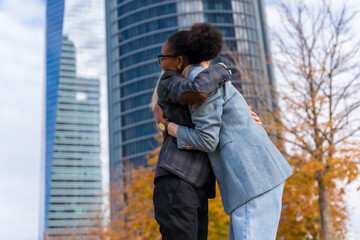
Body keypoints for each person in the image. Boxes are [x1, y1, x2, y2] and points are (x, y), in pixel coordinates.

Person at [155, 23, 293, 240]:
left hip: (251, 178)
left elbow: (206, 139)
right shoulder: (206, 77)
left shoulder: (198, 79)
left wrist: (169, 127)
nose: (162, 63)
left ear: (180, 59)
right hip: (255, 176)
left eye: (164, 57)